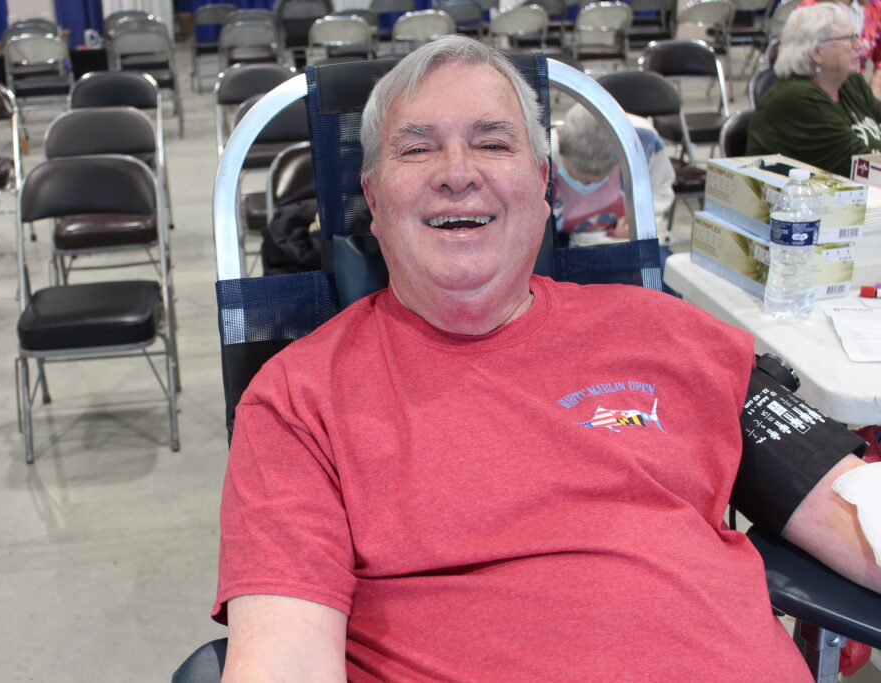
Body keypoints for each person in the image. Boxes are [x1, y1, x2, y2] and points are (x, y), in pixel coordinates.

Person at [214, 36, 880, 680]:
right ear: (376, 203)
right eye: (417, 149)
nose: (456, 172)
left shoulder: (668, 333)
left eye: (492, 142)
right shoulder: (299, 404)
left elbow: (858, 513)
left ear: (541, 186)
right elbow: (284, 661)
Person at [747, 3, 881, 176]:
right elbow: (865, 168)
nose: (859, 46)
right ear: (816, 52)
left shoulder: (849, 81)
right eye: (850, 39)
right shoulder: (798, 99)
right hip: (798, 199)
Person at [551, 103, 675, 249]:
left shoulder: (641, 140)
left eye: (598, 179)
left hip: (629, 236)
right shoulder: (543, 150)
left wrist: (638, 219)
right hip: (565, 239)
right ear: (559, 135)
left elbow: (660, 188)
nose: (587, 185)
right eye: (578, 178)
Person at [797, 0, 881, 98]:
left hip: (856, 93)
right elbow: (797, 65)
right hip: (817, 92)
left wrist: (877, 83)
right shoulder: (809, 9)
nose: (858, 46)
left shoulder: (874, 6)